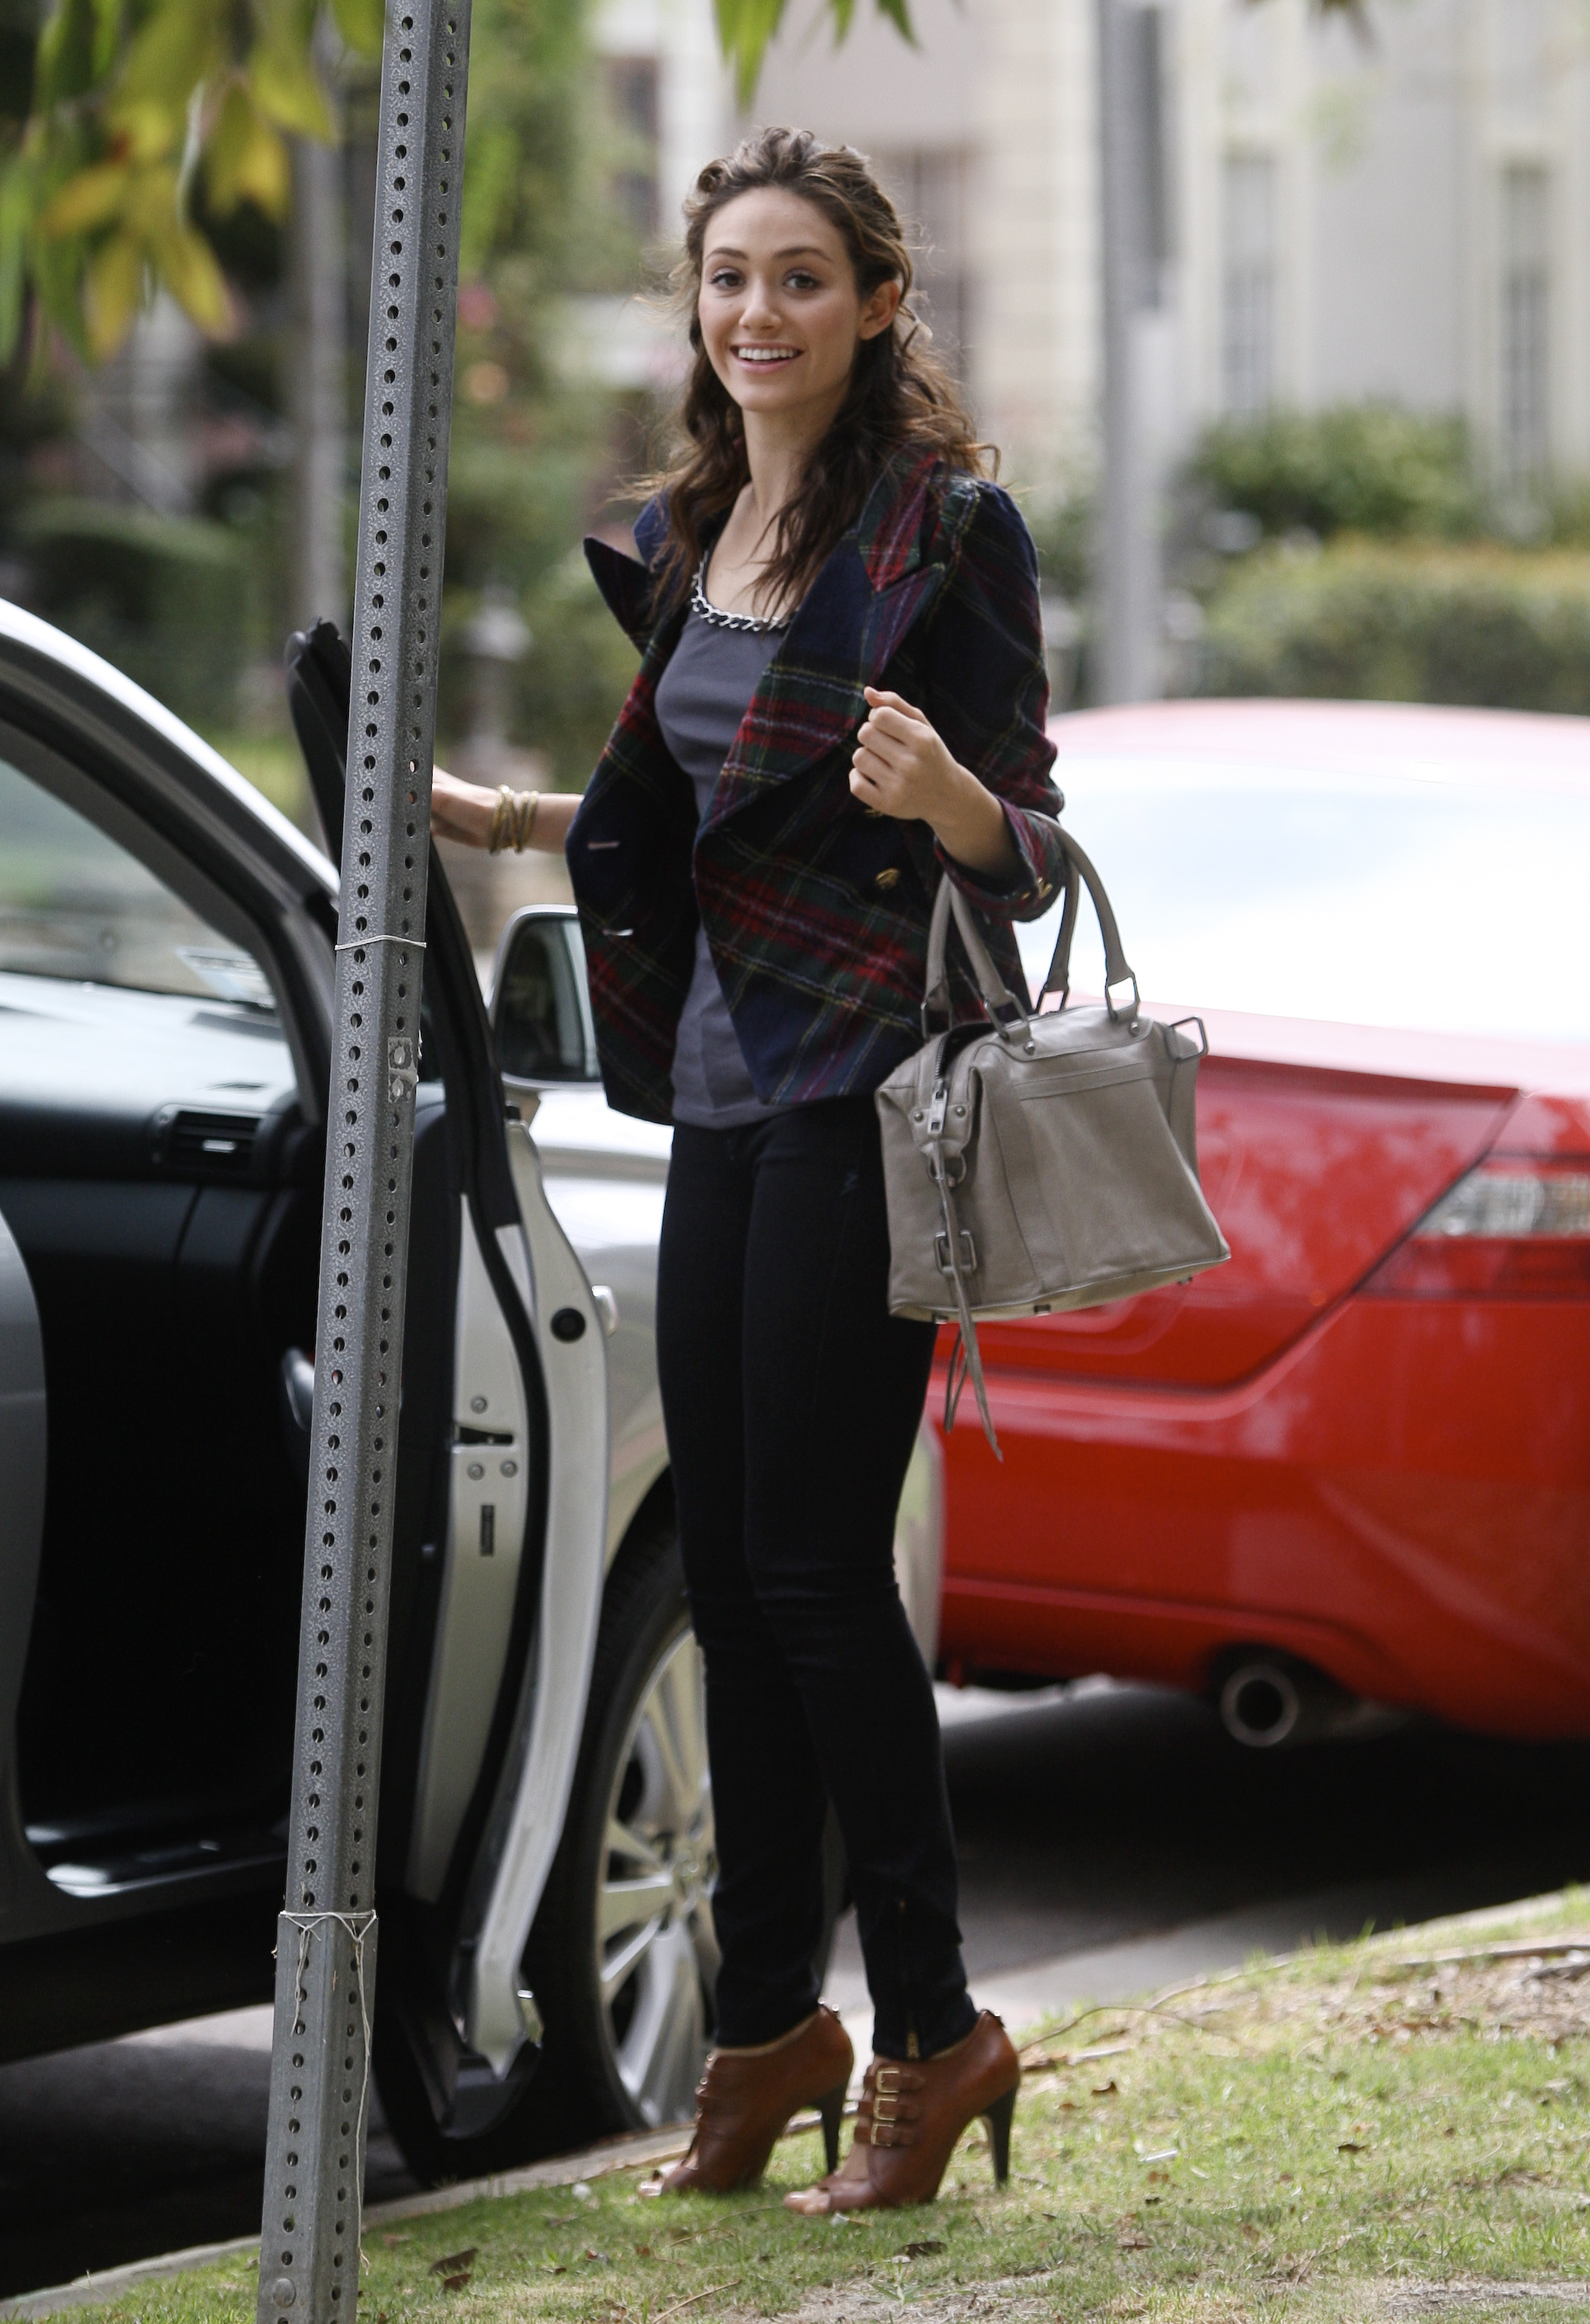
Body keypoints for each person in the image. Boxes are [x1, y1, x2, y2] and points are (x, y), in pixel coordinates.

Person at [431, 124, 1066, 2214]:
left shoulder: (943, 536)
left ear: (876, 304)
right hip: (714, 1087)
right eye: (728, 279)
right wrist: (491, 818)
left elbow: (1029, 848)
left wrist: (950, 792)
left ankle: (939, 2027)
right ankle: (768, 2021)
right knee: (724, 1571)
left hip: (865, 1085)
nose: (757, 312)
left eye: (800, 278)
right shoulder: (694, 529)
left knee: (811, 1570)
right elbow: (687, 801)